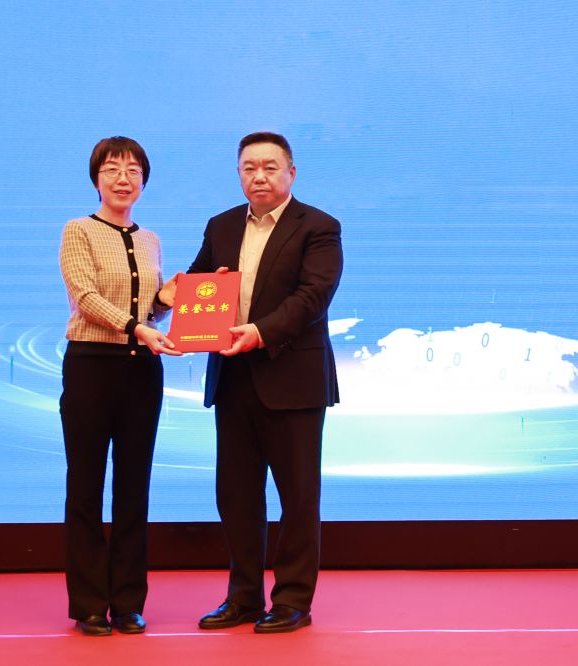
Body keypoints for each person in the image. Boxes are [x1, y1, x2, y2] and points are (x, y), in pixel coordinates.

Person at [184, 131, 343, 633]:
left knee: (298, 498)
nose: (259, 176)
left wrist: (259, 332)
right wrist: (169, 302)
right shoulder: (221, 225)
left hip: (292, 380)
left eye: (270, 167)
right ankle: (244, 597)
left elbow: (313, 297)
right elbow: (197, 283)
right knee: (236, 497)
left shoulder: (318, 226)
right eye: (249, 167)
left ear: (291, 173)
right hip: (233, 379)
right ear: (239, 174)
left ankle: (293, 600)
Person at [58, 136, 181, 637]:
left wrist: (168, 300)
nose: (123, 178)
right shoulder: (78, 230)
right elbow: (85, 297)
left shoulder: (150, 239)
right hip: (91, 366)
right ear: (96, 179)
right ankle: (89, 603)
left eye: (133, 170)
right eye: (111, 168)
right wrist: (137, 327)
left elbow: (148, 313)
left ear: (144, 181)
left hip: (141, 372)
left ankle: (128, 602)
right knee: (85, 486)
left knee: (134, 487)